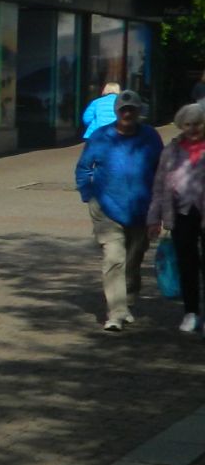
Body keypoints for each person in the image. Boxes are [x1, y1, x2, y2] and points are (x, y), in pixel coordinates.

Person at [76, 91, 163, 331]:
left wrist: (160, 207)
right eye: (123, 109)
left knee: (133, 259)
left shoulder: (150, 137)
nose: (127, 113)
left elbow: (162, 172)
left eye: (131, 109)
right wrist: (89, 195)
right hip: (106, 208)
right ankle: (116, 312)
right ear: (116, 111)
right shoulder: (100, 136)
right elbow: (83, 168)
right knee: (114, 258)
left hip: (141, 209)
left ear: (138, 112)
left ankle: (129, 296)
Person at [149, 103, 205, 334]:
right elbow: (160, 187)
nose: (192, 129)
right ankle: (191, 312)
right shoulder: (171, 150)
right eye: (188, 124)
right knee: (187, 264)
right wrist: (154, 218)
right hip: (182, 214)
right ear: (181, 125)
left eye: (197, 124)